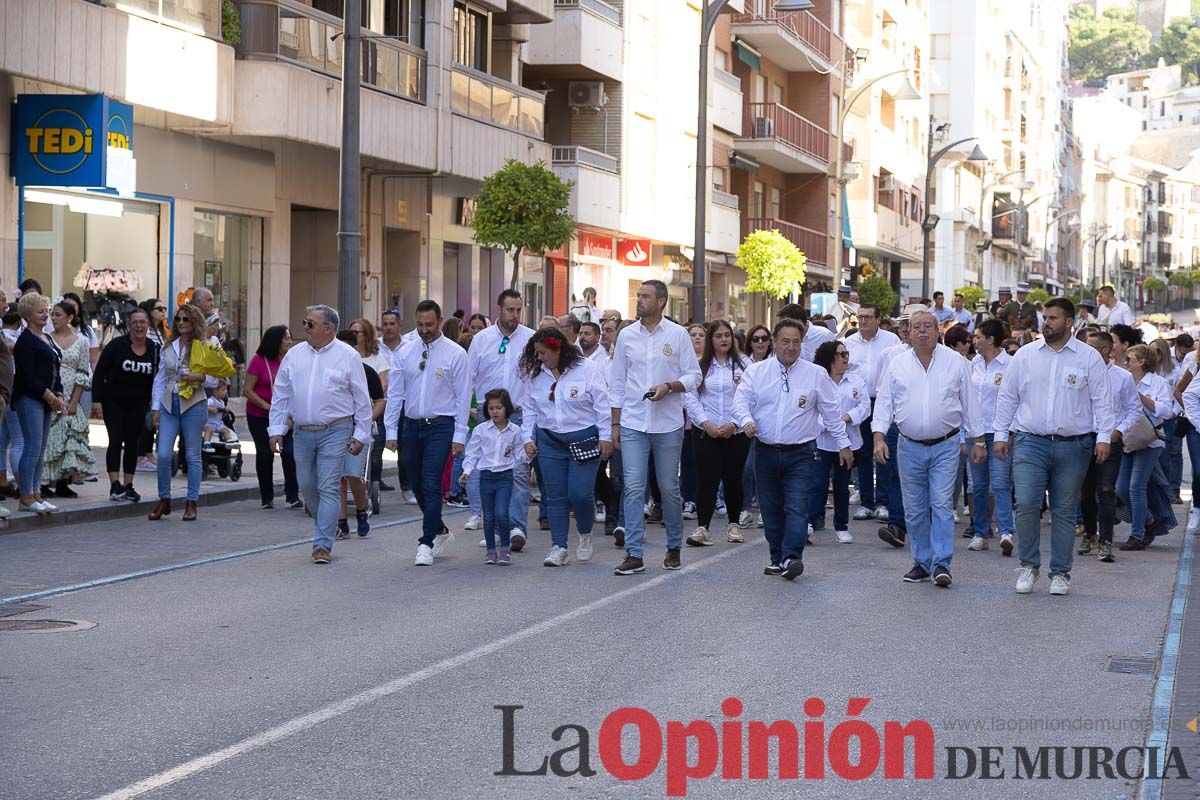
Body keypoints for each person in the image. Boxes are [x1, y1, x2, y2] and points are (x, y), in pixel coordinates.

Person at [993, 298, 1114, 597]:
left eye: (1053, 318)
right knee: (1027, 502)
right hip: (1029, 441)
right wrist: (1000, 433)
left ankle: (1060, 573)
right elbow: (1008, 396)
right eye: (1044, 317)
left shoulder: (1088, 358)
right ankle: (1028, 566)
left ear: (1069, 322)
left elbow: (1102, 400)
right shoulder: (1025, 355)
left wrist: (1103, 438)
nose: (1046, 322)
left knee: (1062, 509)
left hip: (1074, 446)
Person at [873, 311, 985, 587]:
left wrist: (979, 440)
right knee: (914, 509)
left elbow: (970, 402)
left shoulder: (956, 362)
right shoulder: (897, 364)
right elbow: (885, 403)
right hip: (908, 445)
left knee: (942, 505)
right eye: (916, 326)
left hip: (946, 445)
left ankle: (942, 564)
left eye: (927, 326)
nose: (922, 331)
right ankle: (921, 562)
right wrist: (878, 438)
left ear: (938, 330)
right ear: (908, 332)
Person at [734, 319, 852, 580]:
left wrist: (844, 444)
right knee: (771, 508)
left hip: (801, 453)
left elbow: (831, 413)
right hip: (764, 451)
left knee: (798, 506)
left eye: (796, 342)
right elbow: (740, 401)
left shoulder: (815, 374)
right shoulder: (757, 372)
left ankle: (792, 557)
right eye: (785, 341)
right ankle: (777, 557)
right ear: (774, 343)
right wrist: (746, 422)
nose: (790, 347)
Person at [609, 280, 702, 576]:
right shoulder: (626, 336)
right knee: (634, 486)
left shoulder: (677, 335)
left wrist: (669, 387)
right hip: (634, 421)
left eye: (646, 296)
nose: (639, 300)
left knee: (668, 487)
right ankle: (634, 553)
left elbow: (694, 376)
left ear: (661, 301)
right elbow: (617, 382)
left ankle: (673, 546)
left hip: (667, 423)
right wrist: (614, 423)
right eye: (638, 295)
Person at [269, 305, 372, 564]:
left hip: (336, 430)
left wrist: (361, 433)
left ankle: (322, 544)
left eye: (310, 324)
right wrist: (276, 429)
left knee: (328, 487)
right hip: (302, 431)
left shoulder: (348, 355)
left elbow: (362, 398)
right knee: (306, 486)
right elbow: (280, 394)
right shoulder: (294, 355)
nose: (304, 328)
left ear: (328, 328)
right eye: (304, 322)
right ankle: (327, 525)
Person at [385, 300, 471, 566]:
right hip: (411, 426)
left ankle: (426, 542)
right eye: (420, 325)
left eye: (429, 325)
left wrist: (459, 435)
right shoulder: (404, 352)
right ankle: (441, 529)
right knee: (416, 483)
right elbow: (395, 393)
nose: (424, 330)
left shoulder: (455, 354)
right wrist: (391, 430)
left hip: (441, 426)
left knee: (432, 483)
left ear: (440, 321)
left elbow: (463, 397)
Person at [518, 327, 611, 566]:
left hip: (584, 440)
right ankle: (558, 546)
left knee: (579, 493)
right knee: (555, 497)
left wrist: (606, 436)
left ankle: (585, 533)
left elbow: (602, 404)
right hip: (550, 442)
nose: (539, 358)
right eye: (536, 353)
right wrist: (528, 439)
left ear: (557, 349)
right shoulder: (535, 375)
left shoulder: (586, 369)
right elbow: (529, 409)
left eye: (543, 353)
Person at [466, 290, 535, 548]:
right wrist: (467, 413)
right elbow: (468, 379)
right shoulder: (482, 340)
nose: (515, 315)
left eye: (518, 310)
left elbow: (536, 380)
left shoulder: (529, 338)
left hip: (518, 414)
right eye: (510, 310)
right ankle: (495, 528)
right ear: (498, 309)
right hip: (489, 415)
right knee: (490, 473)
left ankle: (517, 528)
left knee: (517, 472)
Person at [683, 320, 752, 546]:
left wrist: (734, 422)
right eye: (718, 336)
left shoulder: (744, 364)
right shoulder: (699, 365)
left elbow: (752, 396)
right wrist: (706, 423)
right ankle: (703, 528)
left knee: (733, 479)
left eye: (727, 335)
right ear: (711, 339)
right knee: (707, 479)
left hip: (736, 431)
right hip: (706, 432)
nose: (724, 339)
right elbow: (690, 397)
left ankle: (733, 525)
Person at [1079, 331, 1139, 563]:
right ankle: (1090, 534)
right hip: (1084, 439)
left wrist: (1118, 431)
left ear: (1105, 350)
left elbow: (1134, 409)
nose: (1086, 350)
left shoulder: (1122, 377)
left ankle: (1106, 541)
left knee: (1106, 490)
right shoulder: (1081, 373)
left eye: (1092, 346)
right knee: (1085, 493)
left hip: (1110, 441)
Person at [148, 304, 211, 522]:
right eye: (179, 319)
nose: (182, 323)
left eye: (186, 319)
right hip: (169, 402)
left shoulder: (204, 346)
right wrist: (155, 407)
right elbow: (160, 378)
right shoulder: (168, 346)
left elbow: (215, 378)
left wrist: (198, 377)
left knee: (193, 455)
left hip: (194, 403)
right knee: (163, 454)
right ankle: (164, 499)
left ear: (195, 322)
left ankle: (191, 501)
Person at [843, 304, 901, 523]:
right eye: (860, 317)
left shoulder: (891, 341)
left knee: (883, 452)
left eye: (868, 317)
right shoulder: (848, 343)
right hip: (859, 404)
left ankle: (883, 502)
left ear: (878, 319)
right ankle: (867, 501)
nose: (864, 321)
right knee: (863, 452)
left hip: (883, 402)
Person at [94, 308, 159, 503]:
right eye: (135, 322)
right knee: (115, 440)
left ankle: (128, 485)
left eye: (142, 322)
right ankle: (115, 485)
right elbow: (99, 373)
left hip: (139, 404)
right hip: (113, 401)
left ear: (147, 325)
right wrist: (97, 401)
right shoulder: (116, 346)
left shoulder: (154, 349)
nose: (139, 326)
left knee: (133, 442)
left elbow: (159, 378)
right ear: (129, 325)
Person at [809, 340, 869, 544]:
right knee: (817, 483)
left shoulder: (856, 381)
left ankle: (841, 526)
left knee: (842, 487)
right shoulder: (818, 380)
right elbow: (811, 408)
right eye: (841, 354)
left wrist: (848, 417)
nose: (846, 357)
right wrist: (829, 423)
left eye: (847, 353)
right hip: (823, 442)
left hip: (848, 443)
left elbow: (865, 406)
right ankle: (809, 522)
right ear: (830, 357)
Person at [1117, 344, 1174, 551]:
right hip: (1128, 438)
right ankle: (1149, 519)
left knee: (1136, 487)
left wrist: (1141, 398)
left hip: (1150, 440)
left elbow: (1168, 411)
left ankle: (1137, 535)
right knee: (1121, 488)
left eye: (1130, 359)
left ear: (1142, 362)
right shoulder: (1124, 379)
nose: (1126, 362)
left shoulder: (1158, 383)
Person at [12, 293, 65, 515]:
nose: (45, 315)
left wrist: (59, 393)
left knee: (41, 447)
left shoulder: (47, 338)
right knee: (32, 446)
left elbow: (55, 366)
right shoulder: (25, 340)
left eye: (47, 310)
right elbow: (27, 375)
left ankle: (36, 494)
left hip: (47, 397)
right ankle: (26, 496)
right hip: (30, 397)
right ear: (28, 315)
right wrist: (49, 396)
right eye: (40, 311)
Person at [966, 319, 1014, 554]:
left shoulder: (1010, 365)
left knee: (1000, 482)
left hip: (999, 432)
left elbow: (1016, 399)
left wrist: (1010, 432)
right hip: (975, 431)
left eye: (978, 337)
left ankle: (1006, 531)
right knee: (978, 484)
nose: (974, 341)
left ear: (991, 339)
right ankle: (980, 532)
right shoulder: (972, 365)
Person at [333, 330, 386, 540]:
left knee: (354, 475)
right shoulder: (331, 371)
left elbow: (380, 400)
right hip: (336, 430)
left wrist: (367, 421)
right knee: (338, 478)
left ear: (355, 350)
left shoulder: (367, 371)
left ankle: (362, 511)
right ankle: (342, 522)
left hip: (358, 430)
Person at [460, 388, 522, 565]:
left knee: (501, 512)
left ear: (507, 409)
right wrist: (467, 471)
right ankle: (490, 551)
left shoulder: (514, 430)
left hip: (505, 476)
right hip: (486, 477)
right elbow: (472, 453)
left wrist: (528, 453)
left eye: (499, 408)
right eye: (491, 408)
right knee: (488, 515)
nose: (495, 412)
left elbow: (519, 452)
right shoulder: (481, 430)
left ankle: (504, 548)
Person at [244, 325, 301, 510]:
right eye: (286, 338)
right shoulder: (258, 361)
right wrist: (268, 407)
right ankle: (266, 497)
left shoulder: (291, 360)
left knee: (290, 452)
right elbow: (247, 390)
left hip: (286, 417)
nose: (290, 342)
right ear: (276, 340)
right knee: (265, 453)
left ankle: (292, 496)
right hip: (259, 415)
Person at [42, 301, 94, 498]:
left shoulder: (82, 341)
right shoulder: (46, 338)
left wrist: (74, 402)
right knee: (48, 439)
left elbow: (83, 372)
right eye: (52, 315)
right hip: (51, 389)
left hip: (71, 392)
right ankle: (44, 482)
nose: (53, 318)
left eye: (58, 315)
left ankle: (63, 482)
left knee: (68, 437)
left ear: (70, 318)